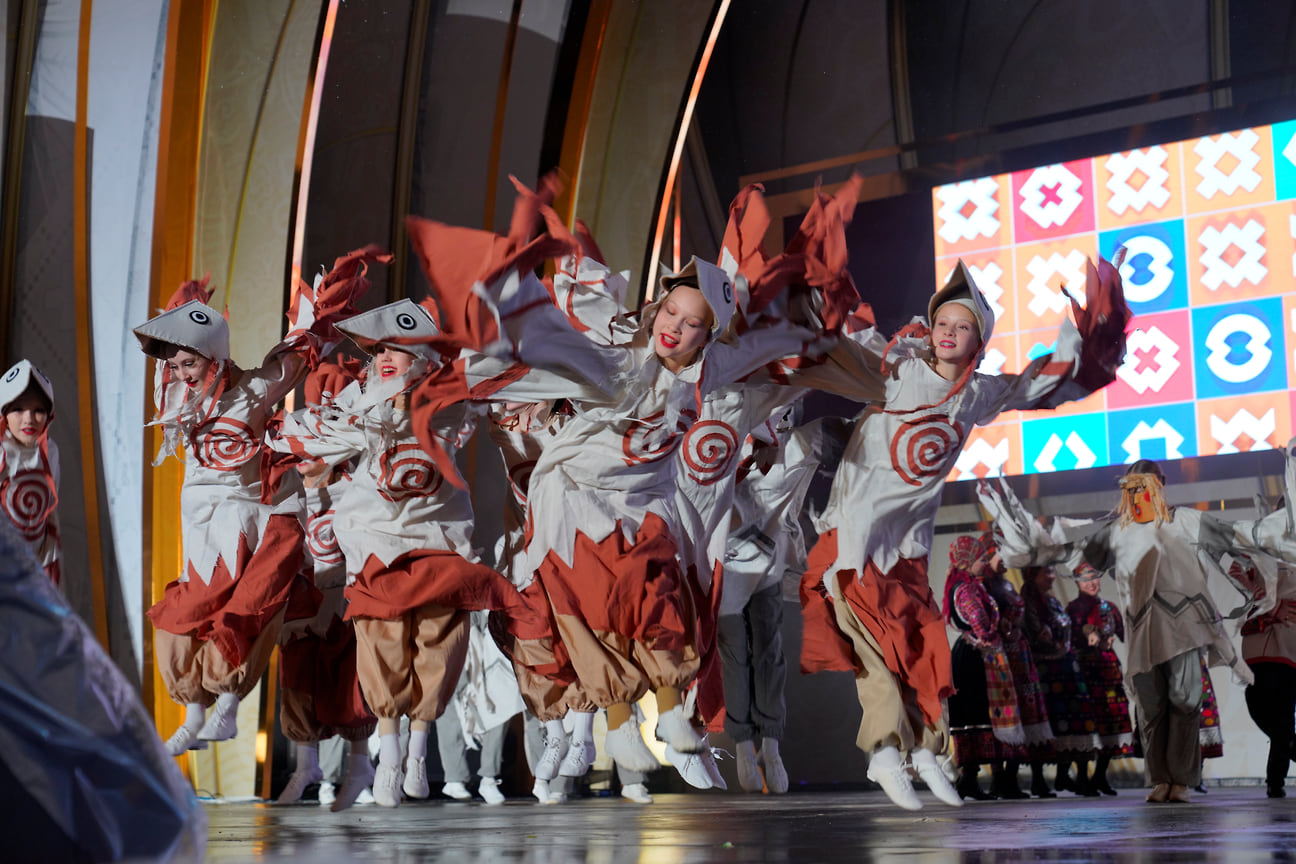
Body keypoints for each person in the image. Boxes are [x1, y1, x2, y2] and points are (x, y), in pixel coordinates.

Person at [794, 254, 1129, 810]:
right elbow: (835, 350)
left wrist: (1086, 335)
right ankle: (882, 751)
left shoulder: (976, 395)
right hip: (853, 537)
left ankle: (925, 748)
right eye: (943, 322)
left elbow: (1041, 384)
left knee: (924, 643)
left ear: (979, 342)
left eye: (963, 326)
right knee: (875, 644)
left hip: (907, 545)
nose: (948, 333)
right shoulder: (898, 371)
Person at [273, 298, 539, 809]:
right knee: (382, 643)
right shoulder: (362, 405)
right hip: (377, 545)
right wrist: (275, 433)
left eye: (402, 348)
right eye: (380, 350)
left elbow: (491, 370)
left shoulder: (446, 404)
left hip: (437, 540)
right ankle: (389, 753)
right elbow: (315, 433)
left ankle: (417, 748)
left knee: (439, 641)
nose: (387, 357)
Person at [133, 250, 386, 755]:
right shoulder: (175, 397)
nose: (181, 372)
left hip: (254, 520)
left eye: (190, 361)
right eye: (176, 363)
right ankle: (196, 710)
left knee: (245, 611)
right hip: (203, 523)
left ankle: (225, 710)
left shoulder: (252, 391)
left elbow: (296, 351)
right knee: (186, 612)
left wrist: (324, 306)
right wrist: (184, 311)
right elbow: (172, 341)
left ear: (215, 357)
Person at [980, 453, 1296, 804]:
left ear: (1159, 487)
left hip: (1186, 629)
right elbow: (1075, 556)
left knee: (1185, 701)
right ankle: (1160, 778)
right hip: (1144, 632)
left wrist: (1278, 528)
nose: (1136, 497)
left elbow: (1239, 535)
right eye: (1130, 489)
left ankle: (1181, 780)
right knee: (1151, 706)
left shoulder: (1187, 521)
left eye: (1144, 488)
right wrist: (1029, 548)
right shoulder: (1118, 532)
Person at [274, 361, 377, 809]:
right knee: (298, 680)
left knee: (350, 682)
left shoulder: (363, 478)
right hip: (304, 592)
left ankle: (360, 766)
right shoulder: (293, 476)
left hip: (348, 595)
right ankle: (304, 767)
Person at [942, 535, 1026, 800]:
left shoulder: (970, 584)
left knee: (980, 715)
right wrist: (993, 638)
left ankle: (972, 780)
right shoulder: (965, 589)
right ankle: (969, 779)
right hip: (975, 654)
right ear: (967, 562)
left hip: (975, 652)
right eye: (981, 559)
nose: (984, 562)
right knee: (976, 714)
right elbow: (978, 620)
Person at [1021, 564, 1099, 796]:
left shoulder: (1051, 602)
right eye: (1047, 572)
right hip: (1043, 669)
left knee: (1075, 719)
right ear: (1032, 576)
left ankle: (1069, 775)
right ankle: (1039, 779)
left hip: (1064, 667)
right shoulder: (1027, 603)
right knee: (1045, 725)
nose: (1052, 577)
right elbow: (1038, 634)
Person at [1065, 561, 1133, 795]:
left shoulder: (1110, 607)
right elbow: (1069, 641)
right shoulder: (1072, 610)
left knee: (1113, 721)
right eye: (1085, 579)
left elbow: (1125, 634)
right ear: (1077, 583)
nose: (1091, 583)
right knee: (1086, 725)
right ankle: (1082, 777)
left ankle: (1100, 775)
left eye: (1094, 577)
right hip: (1083, 671)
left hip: (1108, 670)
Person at [1239, 553, 1296, 797]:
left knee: (1283, 712)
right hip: (1262, 638)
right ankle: (1287, 755)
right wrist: (1271, 603)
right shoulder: (1258, 548)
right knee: (1259, 701)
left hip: (1289, 637)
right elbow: (1235, 571)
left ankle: (1276, 780)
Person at [0, 360, 60, 585]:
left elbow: (48, 517)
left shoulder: (50, 453)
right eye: (18, 409)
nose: (28, 419)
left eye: (38, 410)